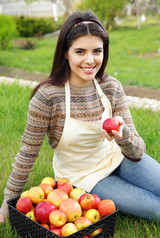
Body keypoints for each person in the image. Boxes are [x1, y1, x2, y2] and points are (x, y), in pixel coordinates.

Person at [0, 10, 160, 224]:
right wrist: (8, 199)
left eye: (97, 51)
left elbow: (138, 151)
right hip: (85, 177)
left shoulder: (111, 87)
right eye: (80, 51)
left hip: (118, 158)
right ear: (66, 53)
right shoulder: (48, 97)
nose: (90, 60)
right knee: (155, 207)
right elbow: (27, 153)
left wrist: (123, 136)